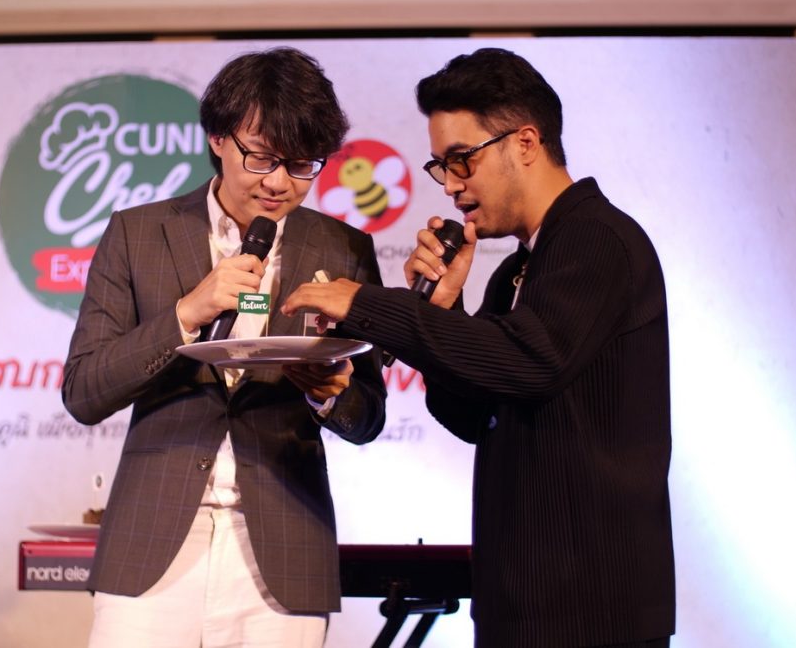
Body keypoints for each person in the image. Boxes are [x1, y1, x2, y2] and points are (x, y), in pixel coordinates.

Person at [282, 47, 675, 647]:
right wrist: (442, 308)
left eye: (462, 159)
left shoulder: (596, 238)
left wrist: (365, 304)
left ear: (525, 142)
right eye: (440, 166)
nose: (451, 186)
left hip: (592, 611)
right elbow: (471, 415)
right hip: (519, 603)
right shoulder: (518, 268)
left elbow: (531, 361)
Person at [62, 47, 387, 647]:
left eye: (302, 164)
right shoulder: (138, 233)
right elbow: (84, 392)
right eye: (261, 157)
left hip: (284, 547)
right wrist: (187, 313)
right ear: (217, 138)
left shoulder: (344, 249)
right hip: (153, 543)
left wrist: (330, 394)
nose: (279, 182)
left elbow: (368, 417)